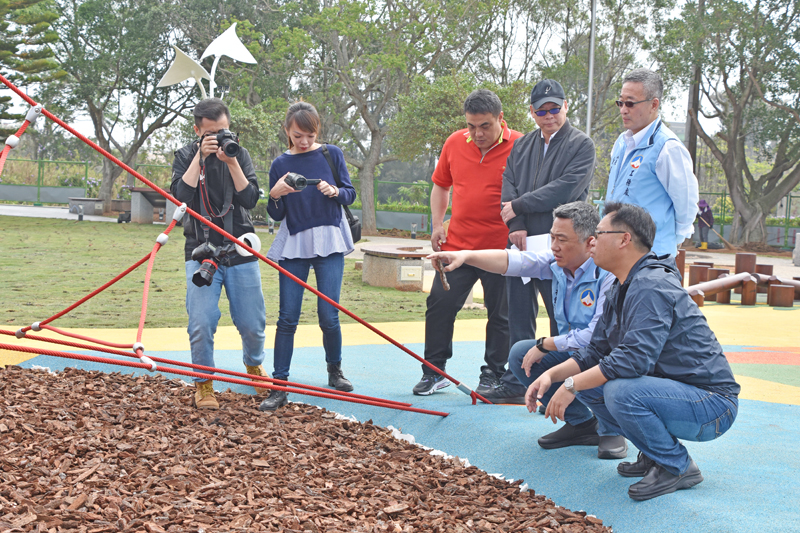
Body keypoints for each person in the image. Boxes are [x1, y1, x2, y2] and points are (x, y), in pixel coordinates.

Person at [528, 202, 739, 501]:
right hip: (679, 395)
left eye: (599, 233)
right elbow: (595, 351)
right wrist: (551, 376)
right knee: (595, 382)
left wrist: (572, 385)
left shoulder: (651, 284)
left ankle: (677, 466)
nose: (592, 240)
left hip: (713, 405)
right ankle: (653, 455)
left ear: (624, 239)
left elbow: (633, 359)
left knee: (619, 390)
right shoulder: (621, 285)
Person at [428, 201, 623, 459]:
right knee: (521, 355)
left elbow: (596, 336)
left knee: (575, 358)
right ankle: (582, 424)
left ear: (590, 243)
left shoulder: (608, 273)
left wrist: (546, 344)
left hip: (606, 358)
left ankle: (612, 429)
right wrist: (465, 256)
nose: (553, 246)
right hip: (576, 353)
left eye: (562, 239)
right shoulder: (557, 264)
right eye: (552, 237)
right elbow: (514, 261)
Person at [413, 89, 523, 397]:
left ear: (501, 119)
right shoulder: (454, 142)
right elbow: (440, 185)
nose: (477, 133)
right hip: (458, 246)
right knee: (439, 305)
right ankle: (434, 372)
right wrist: (437, 224)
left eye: (485, 126)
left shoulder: (521, 146)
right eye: (471, 126)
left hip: (501, 250)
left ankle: (494, 373)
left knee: (500, 313)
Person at [492, 79, 597, 403]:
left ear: (566, 106)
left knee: (562, 317)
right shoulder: (522, 146)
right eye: (542, 110)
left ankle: (567, 388)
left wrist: (520, 206)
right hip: (523, 242)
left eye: (555, 108)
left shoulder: (582, 145)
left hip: (563, 246)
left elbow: (565, 189)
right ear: (532, 112)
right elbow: (508, 186)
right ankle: (518, 382)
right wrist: (516, 224)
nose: (549, 115)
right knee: (518, 316)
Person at [258, 101, 357, 411]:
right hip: (295, 245)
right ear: (287, 130)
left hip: (329, 241)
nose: (304, 141)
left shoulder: (332, 154)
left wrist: (335, 192)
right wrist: (275, 194)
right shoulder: (279, 164)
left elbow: (350, 192)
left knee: (329, 315)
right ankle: (279, 385)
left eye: (310, 136)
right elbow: (275, 213)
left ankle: (335, 370)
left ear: (318, 132)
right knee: (287, 317)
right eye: (298, 135)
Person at [171, 98, 267, 410]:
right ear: (197, 131)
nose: (219, 137)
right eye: (211, 133)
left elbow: (250, 199)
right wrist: (199, 157)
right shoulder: (186, 155)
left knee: (252, 322)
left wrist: (232, 161)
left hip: (240, 247)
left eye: (224, 130)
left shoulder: (239, 153)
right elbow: (179, 197)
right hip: (200, 249)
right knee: (201, 320)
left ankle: (253, 365)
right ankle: (204, 383)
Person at [605, 68, 698, 257]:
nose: (623, 110)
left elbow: (686, 208)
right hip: (617, 255)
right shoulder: (621, 143)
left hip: (651, 258)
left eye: (630, 103)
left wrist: (667, 243)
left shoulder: (668, 148)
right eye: (620, 102)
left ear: (654, 104)